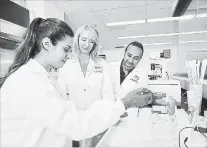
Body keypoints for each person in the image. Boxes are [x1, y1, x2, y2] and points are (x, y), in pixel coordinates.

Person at [0, 18, 150, 147]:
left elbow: (63, 116)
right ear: (47, 44)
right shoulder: (31, 81)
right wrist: (125, 103)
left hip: (85, 123)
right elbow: (74, 123)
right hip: (80, 125)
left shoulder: (39, 77)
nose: (68, 55)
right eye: (65, 49)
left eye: (91, 41)